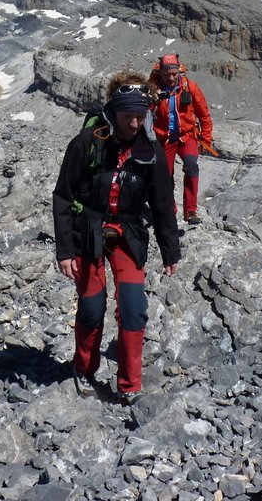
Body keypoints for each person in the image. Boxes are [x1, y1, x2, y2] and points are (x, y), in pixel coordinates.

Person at [52, 68, 181, 404]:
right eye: (128, 117)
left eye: (141, 117)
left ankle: (130, 385)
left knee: (134, 308)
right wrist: (64, 250)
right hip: (88, 232)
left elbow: (164, 202)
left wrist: (171, 251)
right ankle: (84, 369)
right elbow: (63, 196)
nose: (135, 124)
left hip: (129, 232)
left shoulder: (150, 149)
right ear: (113, 111)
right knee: (92, 307)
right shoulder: (86, 143)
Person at [149, 53, 215, 226]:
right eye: (167, 74)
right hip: (165, 139)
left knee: (192, 166)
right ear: (161, 73)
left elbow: (204, 115)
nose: (171, 78)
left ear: (179, 71)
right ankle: (170, 209)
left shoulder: (190, 88)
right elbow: (144, 112)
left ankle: (190, 211)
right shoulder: (154, 90)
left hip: (187, 136)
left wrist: (205, 139)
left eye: (174, 74)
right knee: (165, 175)